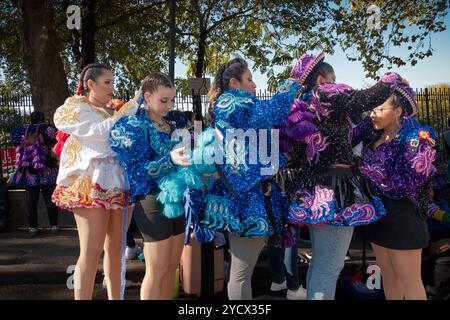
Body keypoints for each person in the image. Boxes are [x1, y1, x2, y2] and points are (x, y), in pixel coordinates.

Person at [278, 54, 401, 300]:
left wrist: (369, 123)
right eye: (333, 78)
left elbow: (345, 139)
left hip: (315, 189)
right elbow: (365, 98)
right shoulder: (325, 94)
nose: (338, 84)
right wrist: (390, 80)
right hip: (335, 190)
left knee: (320, 264)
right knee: (329, 267)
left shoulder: (305, 105)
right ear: (321, 79)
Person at [204, 57, 302, 300]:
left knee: (241, 271)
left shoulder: (233, 104)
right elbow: (271, 112)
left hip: (246, 194)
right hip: (246, 197)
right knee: (241, 271)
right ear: (234, 83)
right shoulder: (232, 103)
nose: (255, 85)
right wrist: (292, 82)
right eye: (250, 79)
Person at [52, 63, 139, 300]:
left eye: (113, 82)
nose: (112, 87)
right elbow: (101, 135)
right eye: (107, 83)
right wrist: (130, 109)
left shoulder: (115, 109)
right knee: (90, 252)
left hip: (121, 184)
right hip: (90, 185)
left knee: (117, 251)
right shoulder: (76, 109)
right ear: (91, 84)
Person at [109, 72, 193, 300]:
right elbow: (136, 172)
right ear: (147, 96)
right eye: (163, 100)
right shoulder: (134, 125)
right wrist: (169, 160)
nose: (169, 105)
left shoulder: (174, 122)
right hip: (151, 201)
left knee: (172, 268)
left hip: (177, 200)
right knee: (156, 271)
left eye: (172, 100)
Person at [358, 75, 438, 300]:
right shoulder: (374, 136)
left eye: (379, 108)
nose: (372, 113)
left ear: (399, 111)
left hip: (403, 215)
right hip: (378, 214)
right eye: (371, 108)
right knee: (389, 278)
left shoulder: (418, 136)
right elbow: (350, 137)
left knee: (409, 281)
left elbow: (415, 176)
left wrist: (376, 177)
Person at [10, 111, 59, 236]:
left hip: (29, 172)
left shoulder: (21, 131)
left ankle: (33, 227)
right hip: (47, 170)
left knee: (31, 202)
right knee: (50, 200)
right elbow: (55, 140)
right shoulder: (49, 129)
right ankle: (53, 226)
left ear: (30, 119)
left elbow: (14, 140)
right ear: (43, 118)